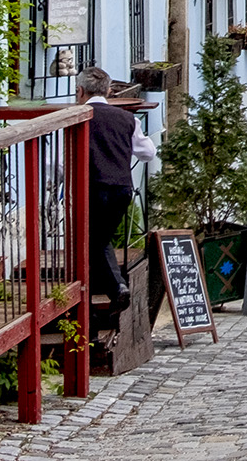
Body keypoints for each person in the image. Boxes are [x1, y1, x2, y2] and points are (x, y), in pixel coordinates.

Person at [74, 66, 154, 336]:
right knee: (99, 241)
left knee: (91, 242)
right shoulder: (126, 119)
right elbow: (148, 152)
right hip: (121, 189)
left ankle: (113, 290)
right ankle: (106, 299)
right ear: (108, 91)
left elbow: (60, 165)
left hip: (92, 188)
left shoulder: (79, 117)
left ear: (80, 92)